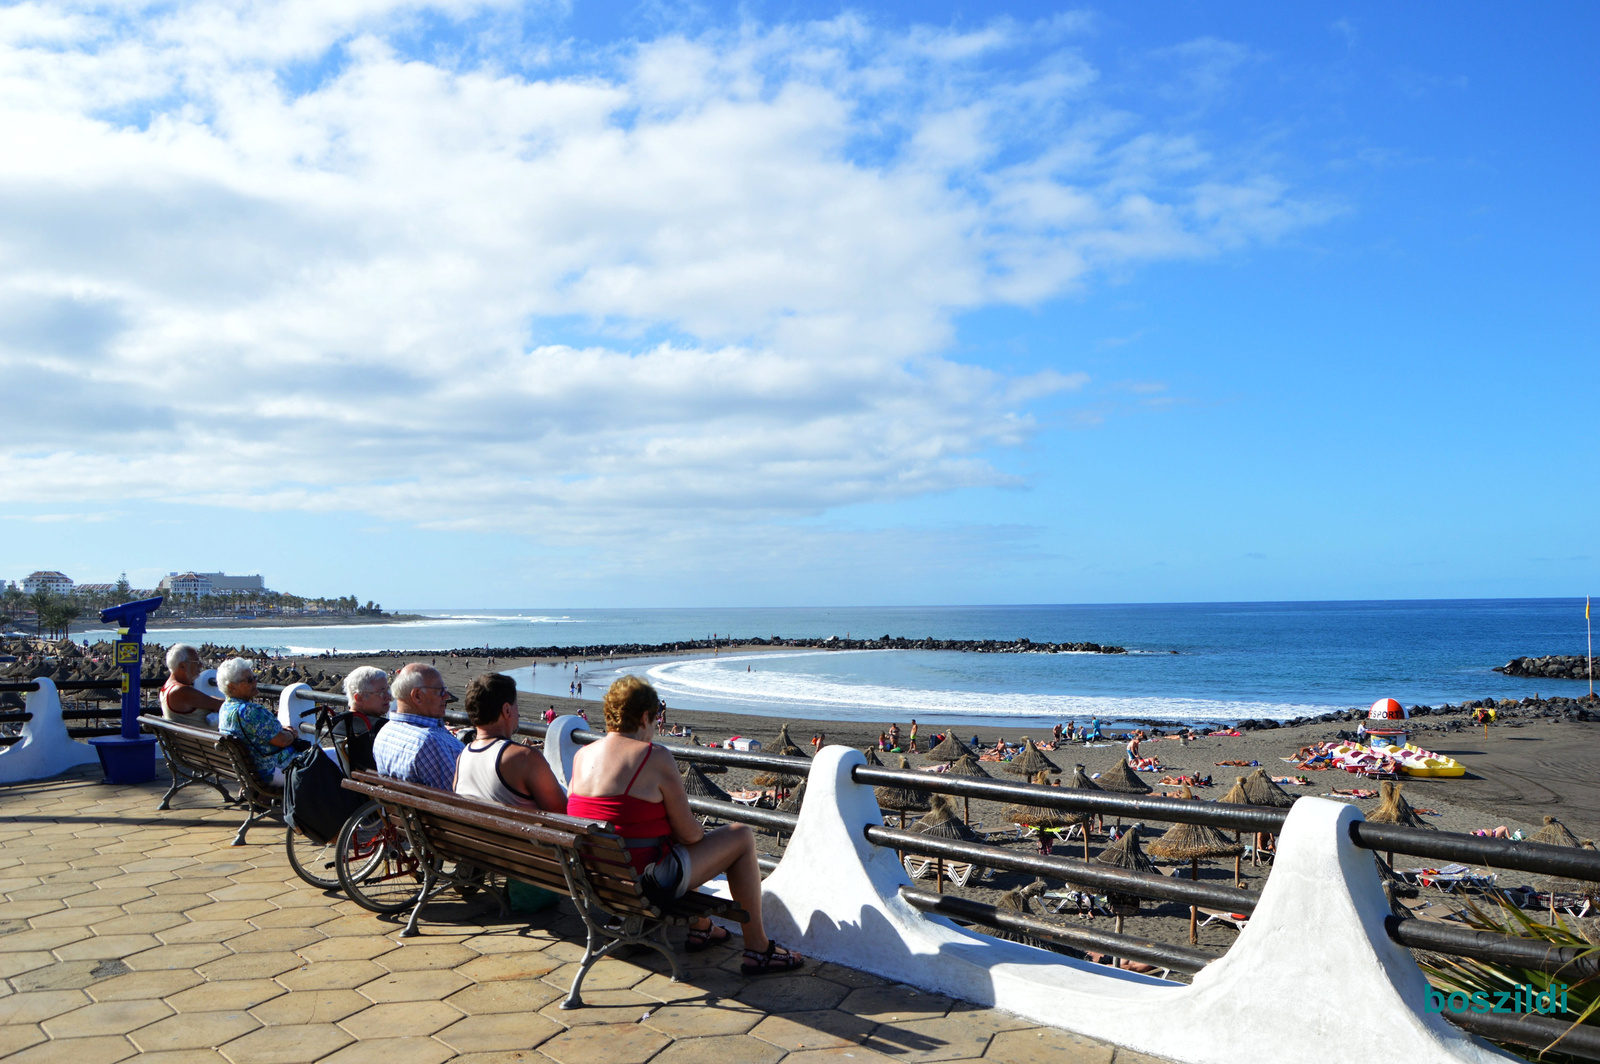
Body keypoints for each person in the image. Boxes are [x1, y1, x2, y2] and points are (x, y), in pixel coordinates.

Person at [567, 676, 803, 976]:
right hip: (644, 886)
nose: (654, 729)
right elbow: (690, 833)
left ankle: (701, 928)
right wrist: (702, 838)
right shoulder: (652, 757)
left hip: (601, 880)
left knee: (670, 848)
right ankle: (758, 948)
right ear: (644, 717)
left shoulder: (581, 755)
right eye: (655, 720)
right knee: (740, 836)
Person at [454, 674, 566, 812]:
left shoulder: (462, 757)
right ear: (507, 710)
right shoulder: (524, 758)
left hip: (474, 832)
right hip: (519, 833)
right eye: (516, 706)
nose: (517, 711)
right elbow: (563, 813)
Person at [372, 663, 465, 791]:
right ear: (417, 696)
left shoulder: (384, 732)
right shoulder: (428, 742)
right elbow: (460, 795)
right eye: (440, 691)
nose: (447, 696)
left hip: (408, 809)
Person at [216, 657, 298, 786]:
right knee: (332, 757)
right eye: (249, 680)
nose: (255, 682)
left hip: (251, 771)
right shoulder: (250, 711)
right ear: (232, 687)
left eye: (254, 677)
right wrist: (291, 734)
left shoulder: (225, 708)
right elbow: (281, 740)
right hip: (272, 770)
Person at [161, 644, 221, 728]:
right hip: (202, 740)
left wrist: (213, 702)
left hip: (187, 739)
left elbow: (211, 701)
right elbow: (224, 704)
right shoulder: (181, 691)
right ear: (182, 666)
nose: (201, 665)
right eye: (196, 662)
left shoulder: (168, 687)